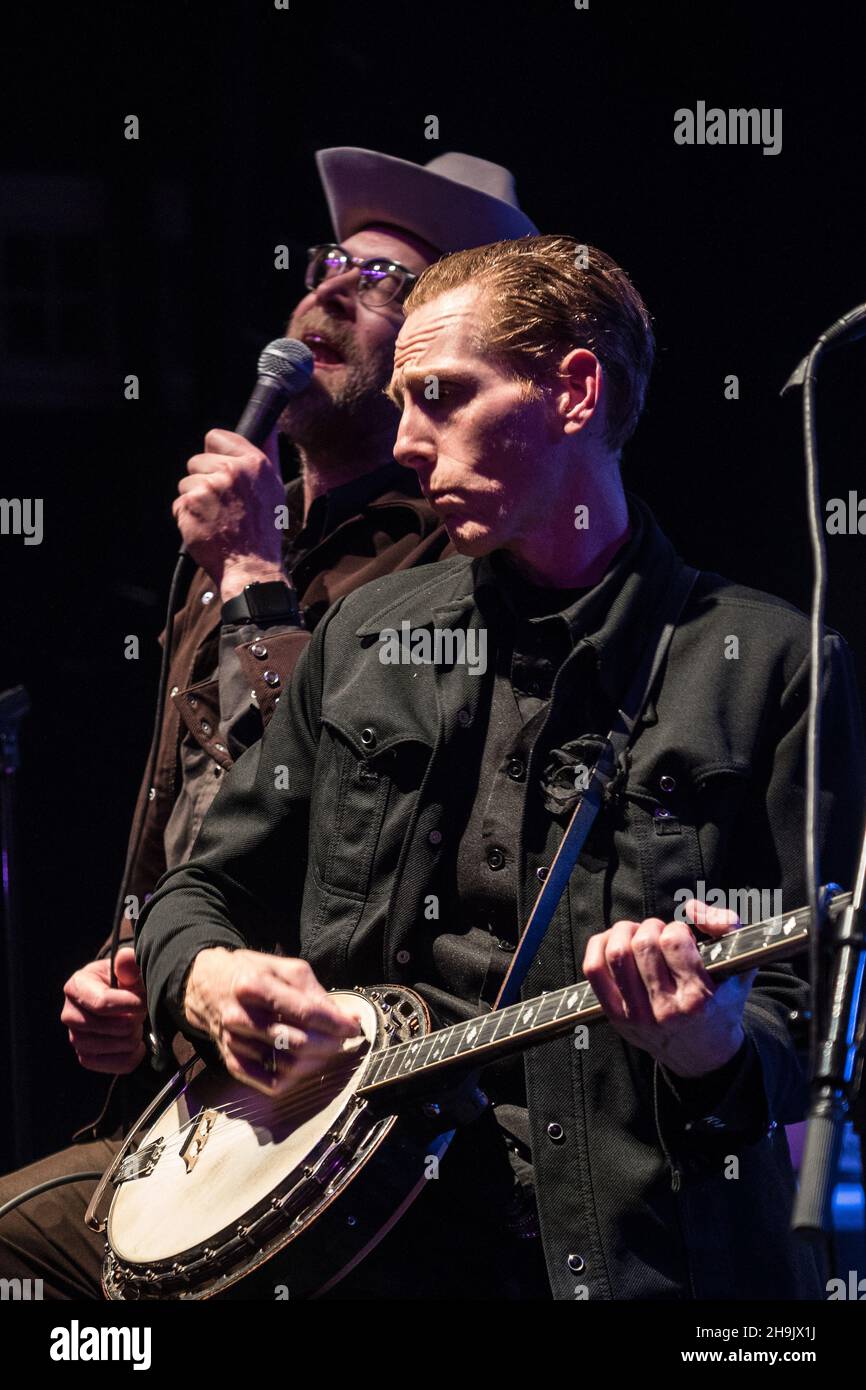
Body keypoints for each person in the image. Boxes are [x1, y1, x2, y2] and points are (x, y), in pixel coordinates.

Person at [135, 234, 865, 1301]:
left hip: (640, 1256)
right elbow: (202, 888)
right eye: (400, 401)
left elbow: (818, 1000)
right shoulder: (363, 639)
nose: (409, 440)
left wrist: (711, 1044)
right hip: (364, 1238)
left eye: (440, 396)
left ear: (573, 390)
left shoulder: (772, 664)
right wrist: (200, 977)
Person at [0, 150, 537, 1298]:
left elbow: (347, 785)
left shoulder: (447, 554)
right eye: (325, 263)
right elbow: (201, 803)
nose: (329, 291)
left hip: (327, 1092)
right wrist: (139, 979)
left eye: (380, 281)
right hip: (183, 1087)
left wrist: (250, 574)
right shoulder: (240, 534)